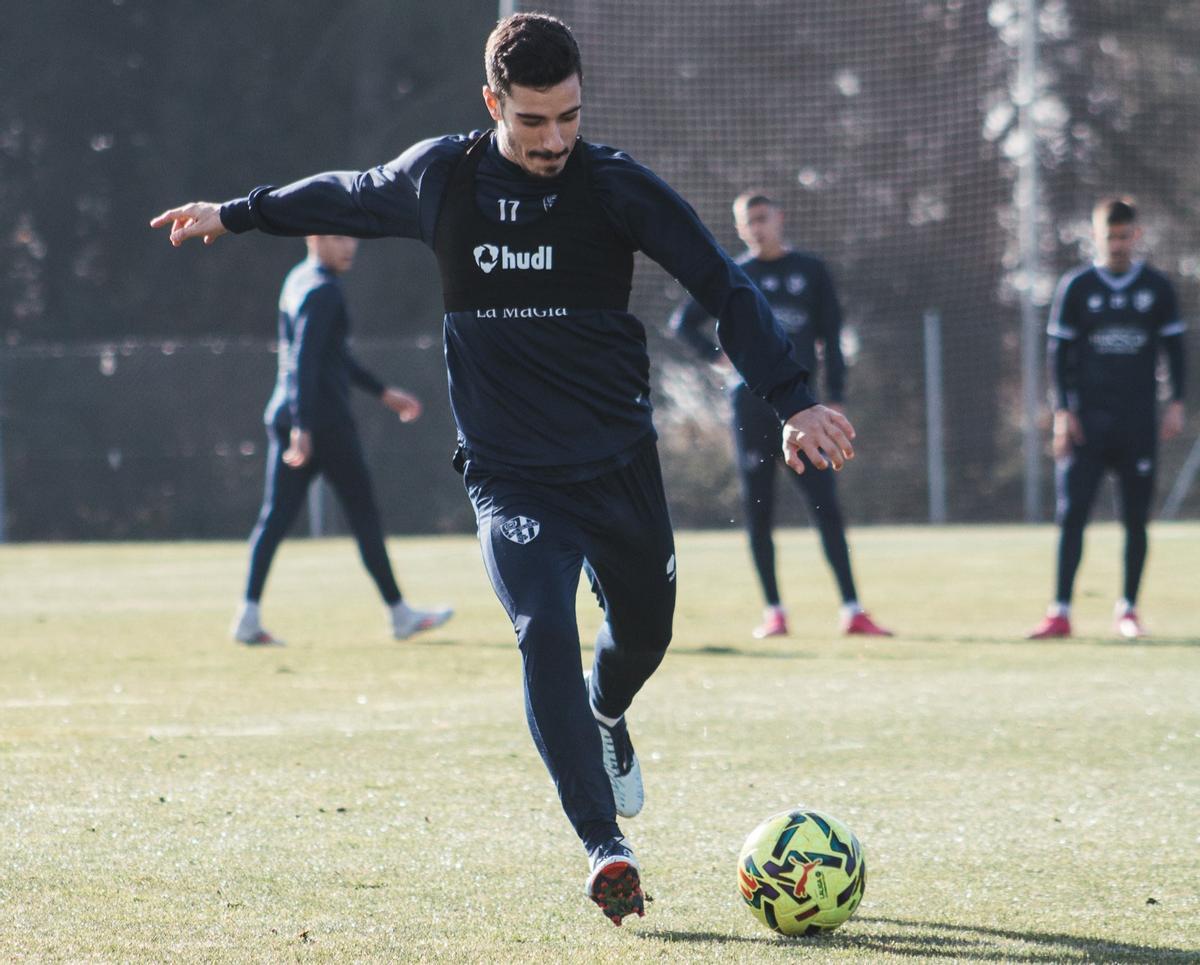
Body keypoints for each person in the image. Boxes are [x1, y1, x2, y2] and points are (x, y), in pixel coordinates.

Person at [150, 13, 856, 925]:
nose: (555, 139)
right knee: (541, 630)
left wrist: (791, 396)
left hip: (619, 467)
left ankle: (609, 713)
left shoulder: (615, 187)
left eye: (568, 116)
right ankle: (605, 845)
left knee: (644, 636)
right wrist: (238, 213)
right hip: (509, 473)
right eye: (533, 122)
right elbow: (345, 193)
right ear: (493, 104)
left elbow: (722, 283)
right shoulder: (442, 178)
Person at [670, 192, 892, 640]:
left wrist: (838, 397)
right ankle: (774, 611)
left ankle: (852, 608)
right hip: (751, 410)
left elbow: (831, 336)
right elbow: (682, 323)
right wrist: (720, 358)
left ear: (778, 219)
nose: (756, 228)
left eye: (762, 218)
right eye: (747, 222)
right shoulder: (735, 274)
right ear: (739, 228)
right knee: (759, 508)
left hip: (803, 409)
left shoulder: (810, 271)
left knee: (825, 505)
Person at [230, 234, 454, 646]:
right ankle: (400, 614)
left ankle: (247, 616)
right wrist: (305, 426)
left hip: (288, 416)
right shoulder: (323, 291)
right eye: (338, 237)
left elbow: (328, 356)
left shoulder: (297, 280)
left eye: (351, 236)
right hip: (324, 425)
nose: (350, 245)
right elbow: (305, 360)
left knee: (274, 519)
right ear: (313, 238)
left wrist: (381, 391)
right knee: (364, 516)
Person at [1028, 198, 1186, 640]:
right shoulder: (1076, 287)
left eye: (1124, 236)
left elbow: (1174, 350)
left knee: (1136, 519)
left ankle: (1128, 610)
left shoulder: (1157, 287)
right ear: (1095, 236)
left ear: (1136, 235)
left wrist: (1176, 402)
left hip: (1137, 422)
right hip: (1087, 423)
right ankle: (1059, 611)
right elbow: (1058, 355)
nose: (1117, 244)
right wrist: (1062, 412)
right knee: (1072, 513)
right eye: (1109, 236)